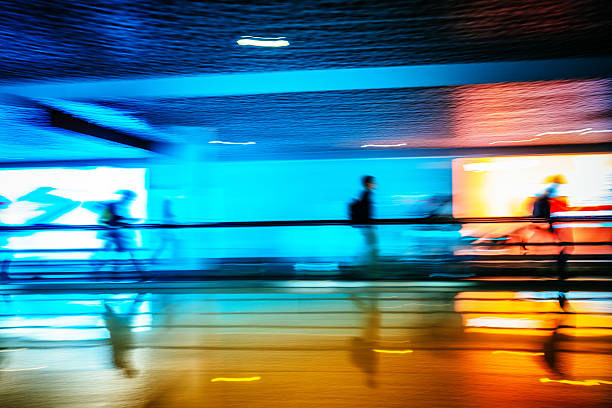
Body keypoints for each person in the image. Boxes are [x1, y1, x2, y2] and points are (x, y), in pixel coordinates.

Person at [95, 190, 145, 280]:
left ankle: (110, 273)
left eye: (132, 199)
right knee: (128, 253)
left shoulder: (124, 207)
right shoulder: (112, 206)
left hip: (122, 235)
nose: (130, 201)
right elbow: (104, 220)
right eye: (129, 199)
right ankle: (141, 275)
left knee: (126, 253)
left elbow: (123, 220)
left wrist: (130, 220)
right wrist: (121, 220)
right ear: (124, 197)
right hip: (116, 235)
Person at [351, 176, 379, 272]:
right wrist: (371, 224)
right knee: (372, 247)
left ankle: (361, 266)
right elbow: (366, 212)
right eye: (373, 182)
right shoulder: (367, 194)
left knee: (369, 246)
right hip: (367, 226)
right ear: (368, 184)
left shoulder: (365, 194)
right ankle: (365, 267)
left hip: (366, 225)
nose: (375, 184)